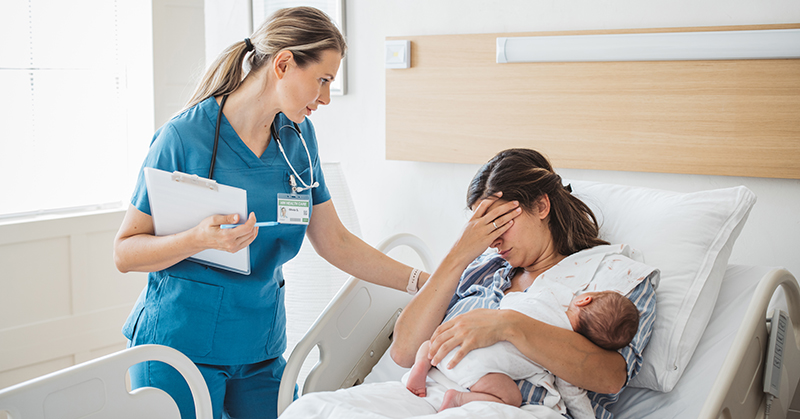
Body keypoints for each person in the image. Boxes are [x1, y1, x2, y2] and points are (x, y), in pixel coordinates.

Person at [113, 7, 428, 419]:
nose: (326, 97)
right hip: (179, 346)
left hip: (259, 346)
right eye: (323, 80)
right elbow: (125, 252)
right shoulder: (184, 137)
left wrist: (423, 282)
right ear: (283, 64)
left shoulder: (297, 139)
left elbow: (335, 242)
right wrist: (198, 239)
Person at [279, 148, 658, 419]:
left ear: (541, 207)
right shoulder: (482, 269)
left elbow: (610, 377)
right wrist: (460, 254)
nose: (493, 240)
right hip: (426, 395)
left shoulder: (613, 276)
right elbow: (405, 352)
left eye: (499, 221)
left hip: (515, 406)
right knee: (311, 409)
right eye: (482, 227)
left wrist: (508, 325)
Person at [406, 289, 639, 417]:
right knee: (512, 398)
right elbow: (574, 397)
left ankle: (421, 366)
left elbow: (511, 299)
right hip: (477, 373)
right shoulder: (567, 357)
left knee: (431, 342)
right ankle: (458, 399)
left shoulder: (545, 298)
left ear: (584, 299)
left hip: (452, 347)